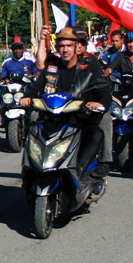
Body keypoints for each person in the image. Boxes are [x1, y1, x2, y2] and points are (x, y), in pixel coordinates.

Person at [22, 26, 112, 185]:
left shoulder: (91, 66)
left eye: (69, 46)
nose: (65, 50)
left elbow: (104, 91)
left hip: (81, 117)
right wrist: (27, 98)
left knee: (103, 120)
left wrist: (99, 103)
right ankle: (31, 165)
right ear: (57, 48)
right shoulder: (52, 68)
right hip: (55, 117)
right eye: (62, 46)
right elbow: (36, 87)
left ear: (77, 46)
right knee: (33, 117)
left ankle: (101, 163)